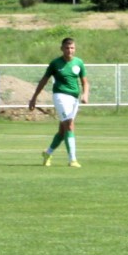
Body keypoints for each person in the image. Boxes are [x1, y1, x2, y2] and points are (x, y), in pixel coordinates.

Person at [29, 37, 90, 168]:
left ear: (75, 49)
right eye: (67, 48)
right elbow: (44, 80)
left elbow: (85, 82)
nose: (69, 50)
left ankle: (48, 153)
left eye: (72, 47)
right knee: (69, 125)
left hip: (74, 98)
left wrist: (85, 94)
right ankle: (72, 159)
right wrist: (34, 97)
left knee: (63, 131)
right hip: (60, 96)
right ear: (62, 49)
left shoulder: (79, 63)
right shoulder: (55, 63)